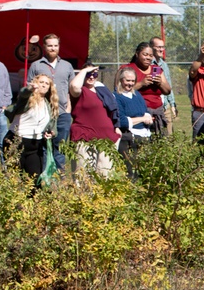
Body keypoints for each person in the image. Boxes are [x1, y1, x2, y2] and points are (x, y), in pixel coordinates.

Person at [26, 33, 75, 168]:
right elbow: (29, 88)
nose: (53, 48)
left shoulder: (67, 66)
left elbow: (72, 89)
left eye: (55, 45)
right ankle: (45, 179)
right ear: (44, 47)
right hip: (42, 113)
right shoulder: (36, 65)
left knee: (60, 149)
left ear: (59, 47)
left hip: (62, 113)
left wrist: (68, 108)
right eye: (50, 46)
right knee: (44, 148)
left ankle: (60, 181)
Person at [69, 64, 120, 177]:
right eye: (88, 75)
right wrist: (85, 70)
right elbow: (74, 86)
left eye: (95, 74)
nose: (91, 77)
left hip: (106, 139)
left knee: (105, 176)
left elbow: (112, 111)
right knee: (83, 176)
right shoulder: (80, 91)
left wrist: (116, 127)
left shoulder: (102, 91)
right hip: (85, 137)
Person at [7, 74, 58, 180]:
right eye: (41, 82)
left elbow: (53, 126)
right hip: (16, 141)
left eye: (46, 83)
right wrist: (29, 89)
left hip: (35, 146)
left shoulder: (48, 104)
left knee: (34, 182)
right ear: (36, 83)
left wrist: (52, 133)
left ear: (49, 87)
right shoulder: (27, 99)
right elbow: (23, 93)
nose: (43, 85)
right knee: (13, 180)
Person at [123, 42, 170, 136]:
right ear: (137, 54)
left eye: (151, 55)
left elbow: (167, 91)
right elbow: (119, 90)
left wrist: (160, 83)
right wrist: (141, 84)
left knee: (160, 143)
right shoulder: (127, 69)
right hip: (138, 113)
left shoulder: (156, 69)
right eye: (145, 54)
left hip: (157, 112)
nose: (148, 58)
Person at [114, 67, 154, 176]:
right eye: (127, 80)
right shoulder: (117, 97)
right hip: (128, 138)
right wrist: (142, 119)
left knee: (145, 170)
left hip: (144, 135)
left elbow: (145, 111)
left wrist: (148, 118)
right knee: (130, 171)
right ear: (121, 80)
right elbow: (122, 121)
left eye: (132, 81)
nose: (130, 84)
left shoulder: (137, 95)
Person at [150, 36, 177, 134]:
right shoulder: (147, 63)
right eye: (159, 47)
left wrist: (172, 104)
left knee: (168, 134)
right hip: (152, 107)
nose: (162, 49)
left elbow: (168, 85)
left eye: (163, 47)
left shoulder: (164, 65)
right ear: (151, 47)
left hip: (165, 106)